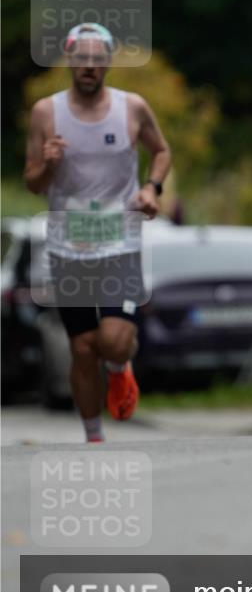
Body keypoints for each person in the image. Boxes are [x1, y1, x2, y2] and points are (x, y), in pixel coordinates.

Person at [24, 23, 171, 442]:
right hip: (67, 248)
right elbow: (33, 182)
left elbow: (161, 150)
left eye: (96, 58)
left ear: (106, 62)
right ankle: (94, 438)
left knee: (112, 341)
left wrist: (150, 188)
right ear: (70, 60)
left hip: (119, 243)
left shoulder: (132, 108)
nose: (89, 66)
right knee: (82, 347)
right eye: (81, 58)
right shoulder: (45, 113)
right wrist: (48, 164)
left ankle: (121, 366)